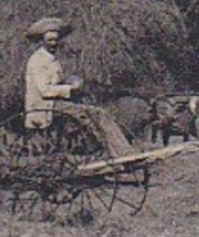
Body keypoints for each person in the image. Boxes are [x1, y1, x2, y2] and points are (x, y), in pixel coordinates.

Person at [22, 16, 135, 157]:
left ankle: (120, 151)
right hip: (45, 107)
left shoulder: (51, 59)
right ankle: (122, 153)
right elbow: (45, 91)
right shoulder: (38, 61)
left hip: (55, 104)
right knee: (99, 115)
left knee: (96, 111)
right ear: (41, 42)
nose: (53, 43)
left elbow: (55, 82)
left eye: (56, 40)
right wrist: (71, 88)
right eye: (49, 40)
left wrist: (71, 81)